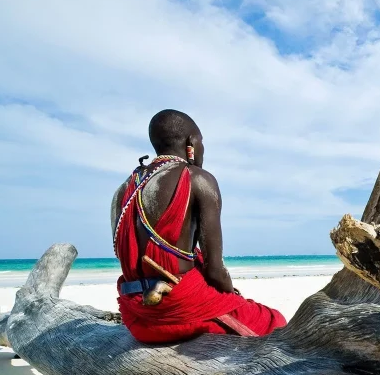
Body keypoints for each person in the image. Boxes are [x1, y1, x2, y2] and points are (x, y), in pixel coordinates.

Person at [111, 109, 286, 343]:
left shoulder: (124, 189)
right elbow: (215, 271)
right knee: (275, 321)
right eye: (202, 142)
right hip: (177, 312)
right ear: (191, 143)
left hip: (137, 317)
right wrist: (231, 296)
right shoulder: (197, 178)